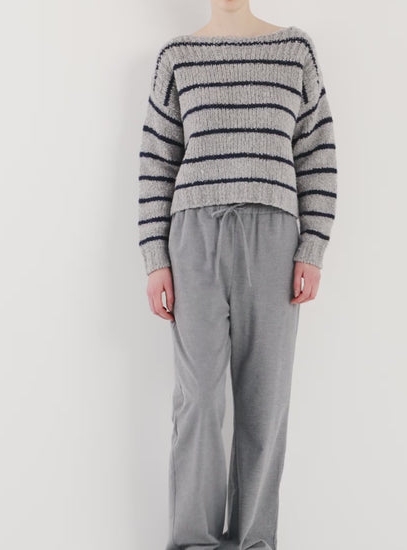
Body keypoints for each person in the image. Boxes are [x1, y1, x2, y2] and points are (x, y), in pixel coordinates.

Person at [137, 3, 338, 549]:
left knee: (264, 403)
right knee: (199, 400)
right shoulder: (178, 57)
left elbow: (316, 152)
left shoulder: (294, 50)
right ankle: (193, 542)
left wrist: (312, 247)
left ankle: (254, 542)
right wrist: (155, 257)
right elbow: (157, 161)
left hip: (274, 239)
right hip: (194, 240)